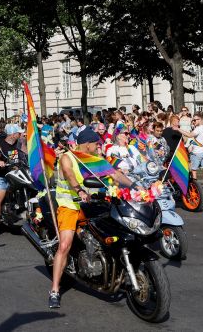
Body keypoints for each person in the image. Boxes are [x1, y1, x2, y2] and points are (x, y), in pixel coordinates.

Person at [49, 128, 132, 309]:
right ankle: (55, 289)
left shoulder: (94, 160)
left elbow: (115, 174)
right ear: (87, 144)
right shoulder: (67, 157)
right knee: (65, 245)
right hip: (69, 205)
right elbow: (69, 173)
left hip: (92, 206)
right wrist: (78, 189)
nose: (98, 146)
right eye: (96, 143)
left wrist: (137, 186)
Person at [0, 124, 24, 241]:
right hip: (3, 176)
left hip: (18, 175)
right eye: (19, 133)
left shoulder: (20, 143)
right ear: (13, 134)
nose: (21, 134)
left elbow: (26, 154)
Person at [180, 114, 203, 199]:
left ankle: (195, 189)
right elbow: (198, 140)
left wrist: (179, 129)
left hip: (197, 153)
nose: (194, 121)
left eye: (196, 120)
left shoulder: (199, 128)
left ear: (201, 120)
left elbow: (189, 135)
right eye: (193, 120)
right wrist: (192, 144)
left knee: (193, 171)